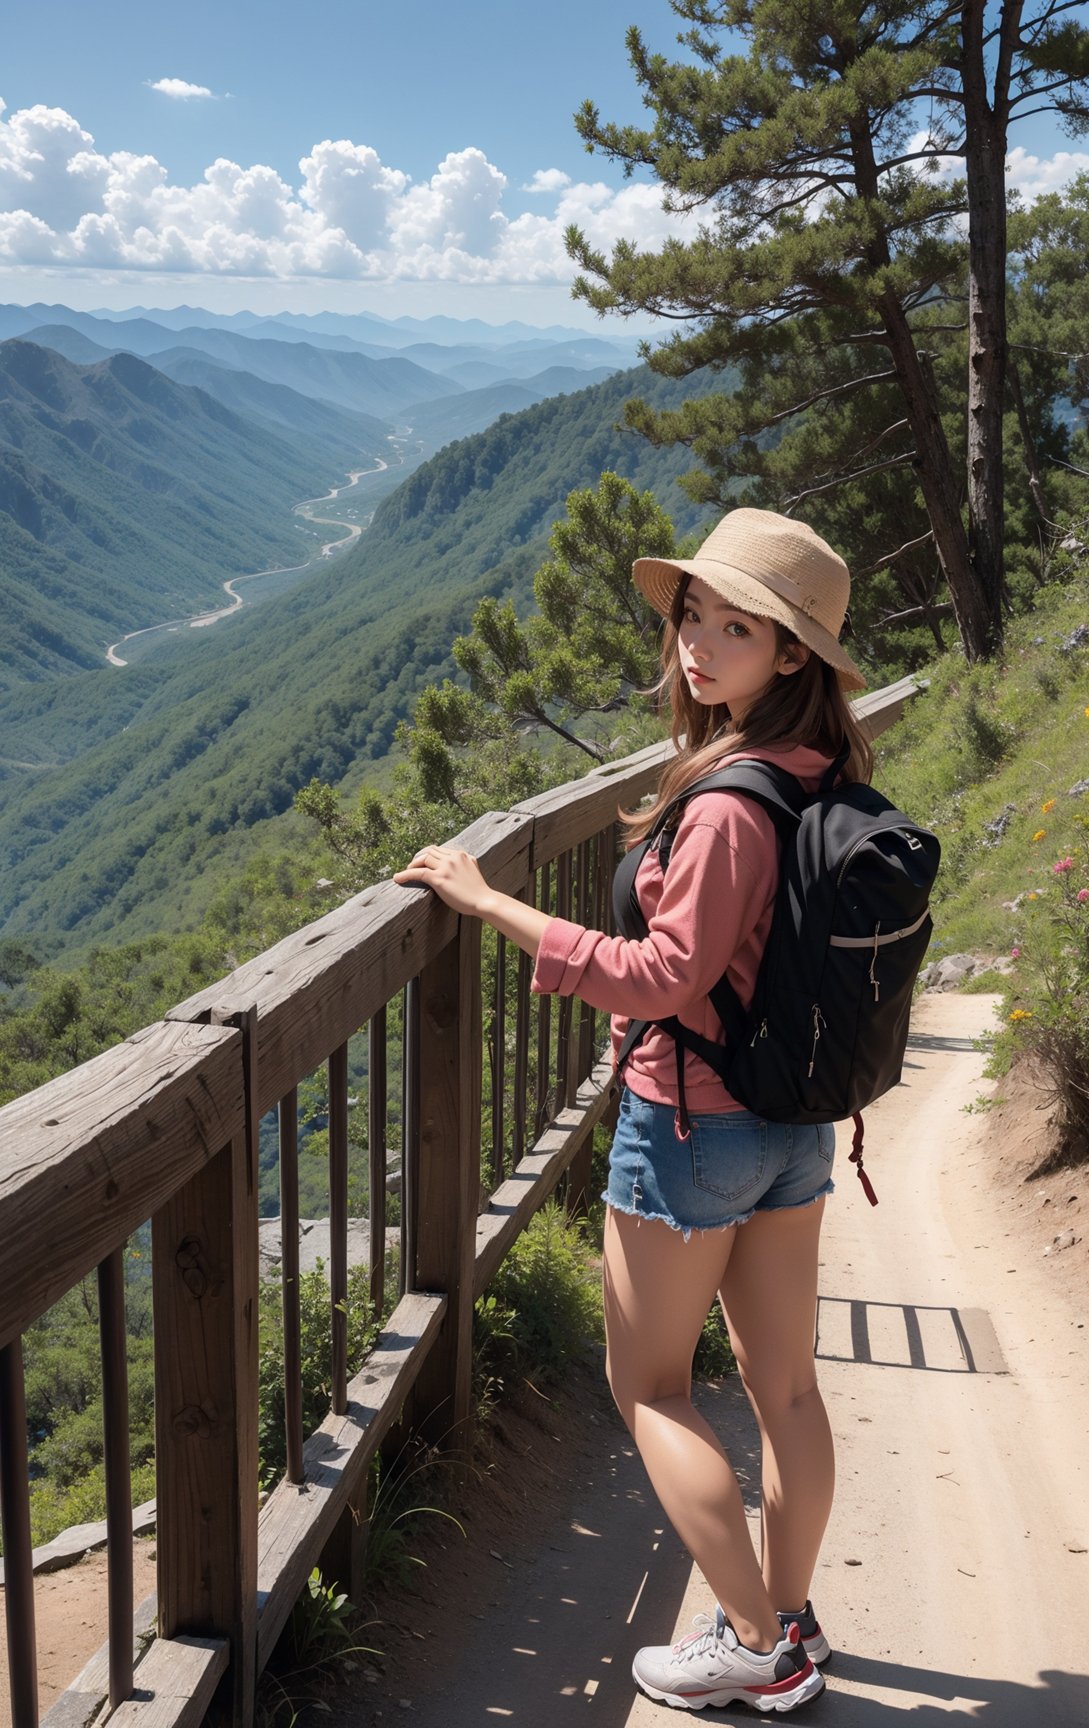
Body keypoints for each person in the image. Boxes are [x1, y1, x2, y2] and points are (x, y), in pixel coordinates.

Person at [394, 508, 872, 1714]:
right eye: (692, 619)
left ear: (792, 654)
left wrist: (490, 904)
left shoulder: (722, 804)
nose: (699, 649)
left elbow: (666, 977)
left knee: (653, 1388)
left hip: (694, 1126)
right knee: (789, 1388)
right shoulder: (826, 773)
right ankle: (790, 1617)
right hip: (791, 1125)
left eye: (736, 629)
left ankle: (759, 1646)